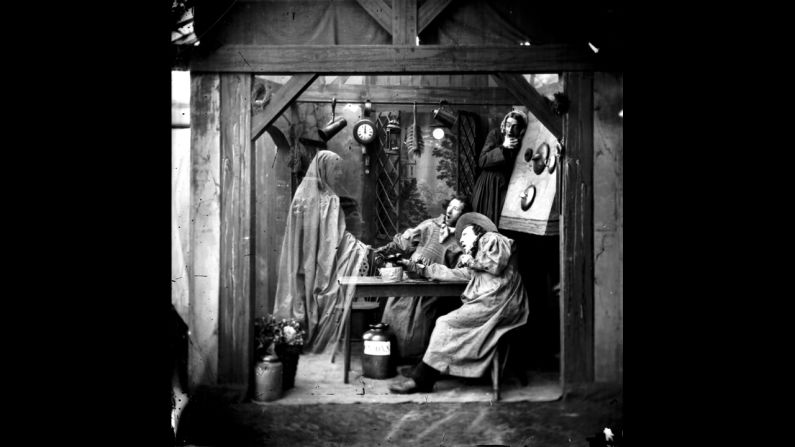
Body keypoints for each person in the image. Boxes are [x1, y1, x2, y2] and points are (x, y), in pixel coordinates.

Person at [387, 212, 530, 394]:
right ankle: (428, 370)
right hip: (488, 305)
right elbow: (449, 273)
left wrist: (472, 261)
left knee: (445, 323)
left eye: (464, 236)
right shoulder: (475, 262)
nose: (461, 241)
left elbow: (497, 264)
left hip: (501, 303)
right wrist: (415, 267)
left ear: (477, 231)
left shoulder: (492, 238)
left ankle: (423, 376)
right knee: (447, 322)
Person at [272, 150, 371, 354]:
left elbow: (330, 237)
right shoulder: (329, 199)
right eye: (335, 170)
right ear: (323, 170)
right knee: (330, 286)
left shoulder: (301, 194)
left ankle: (298, 335)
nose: (338, 175)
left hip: (303, 258)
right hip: (314, 259)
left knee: (306, 291)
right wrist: (360, 249)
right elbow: (334, 239)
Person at [372, 195, 473, 363]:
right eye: (450, 206)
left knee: (420, 322)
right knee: (393, 311)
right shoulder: (430, 225)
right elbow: (405, 242)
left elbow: (458, 271)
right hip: (409, 278)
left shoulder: (462, 240)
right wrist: (391, 247)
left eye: (456, 209)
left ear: (463, 215)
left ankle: (415, 360)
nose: (450, 210)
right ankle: (390, 356)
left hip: (431, 285)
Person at [471, 110, 528, 226]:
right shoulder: (495, 134)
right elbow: (482, 161)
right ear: (504, 124)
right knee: (483, 222)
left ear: (521, 129)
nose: (510, 130)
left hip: (504, 187)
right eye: (508, 125)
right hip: (488, 184)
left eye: (515, 127)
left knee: (500, 224)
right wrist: (503, 146)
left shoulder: (521, 143)